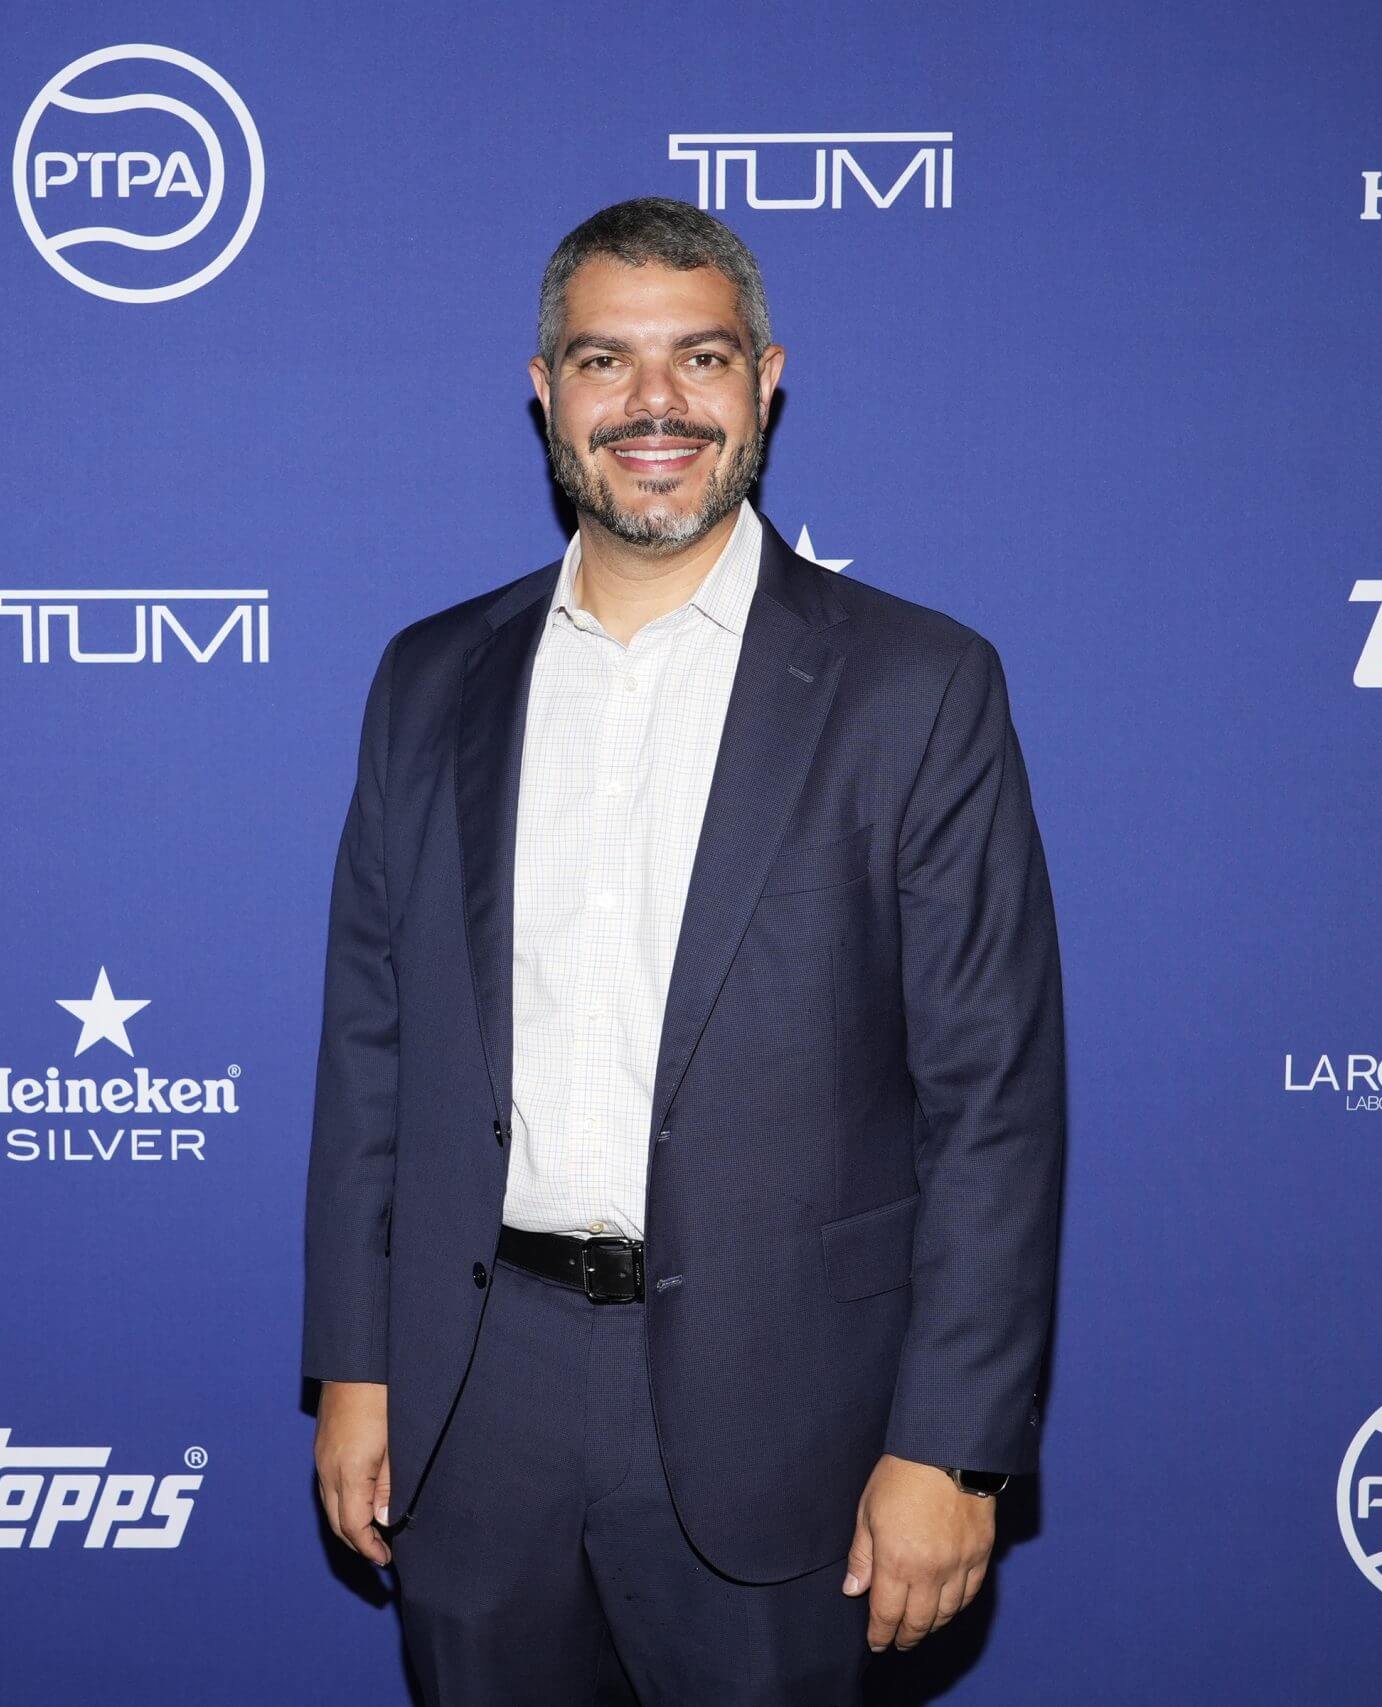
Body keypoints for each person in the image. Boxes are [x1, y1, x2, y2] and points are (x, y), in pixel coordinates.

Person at [302, 195, 1067, 1704]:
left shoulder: (918, 686)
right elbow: (370, 1041)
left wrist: (955, 1443)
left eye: (698, 359)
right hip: (476, 1402)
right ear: (546, 394)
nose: (654, 403)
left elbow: (994, 1098)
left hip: (789, 1415)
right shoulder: (429, 677)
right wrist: (355, 1361)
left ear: (764, 381)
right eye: (605, 361)